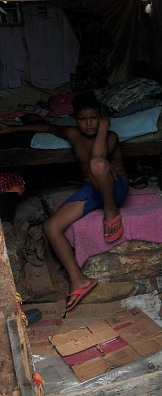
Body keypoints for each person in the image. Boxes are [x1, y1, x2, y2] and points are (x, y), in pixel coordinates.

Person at [0, 92, 129, 311]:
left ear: (100, 117)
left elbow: (98, 157)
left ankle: (110, 211)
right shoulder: (73, 134)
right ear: (75, 119)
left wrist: (104, 127)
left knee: (97, 165)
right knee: (51, 226)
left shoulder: (110, 136)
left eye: (93, 118)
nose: (89, 124)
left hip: (114, 189)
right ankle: (79, 280)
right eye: (83, 119)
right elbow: (47, 127)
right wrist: (12, 129)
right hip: (93, 191)